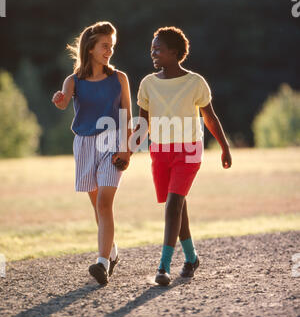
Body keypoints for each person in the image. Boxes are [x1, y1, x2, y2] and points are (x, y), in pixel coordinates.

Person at [132, 26, 232, 286]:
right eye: (151, 48)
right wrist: (127, 151)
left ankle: (163, 267)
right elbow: (142, 126)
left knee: (173, 205)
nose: (153, 52)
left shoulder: (195, 82)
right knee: (178, 203)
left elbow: (209, 117)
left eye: (158, 49)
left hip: (188, 151)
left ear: (174, 52)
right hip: (160, 152)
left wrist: (225, 147)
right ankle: (191, 258)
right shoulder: (148, 84)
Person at [52, 21, 132, 285]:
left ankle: (102, 262)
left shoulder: (119, 79)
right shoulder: (73, 80)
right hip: (85, 145)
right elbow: (64, 102)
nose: (109, 50)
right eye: (104, 46)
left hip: (113, 143)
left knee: (104, 203)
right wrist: (61, 100)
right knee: (97, 205)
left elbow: (127, 116)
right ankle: (112, 251)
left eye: (112, 46)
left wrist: (126, 148)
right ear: (90, 48)